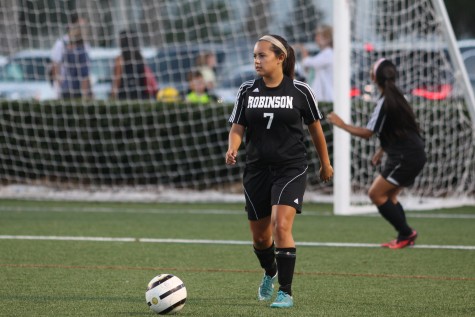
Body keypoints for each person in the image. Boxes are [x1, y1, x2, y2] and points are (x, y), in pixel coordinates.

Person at [225, 34, 333, 308]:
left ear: (280, 58)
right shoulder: (247, 90)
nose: (256, 61)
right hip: (256, 170)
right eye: (255, 56)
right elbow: (238, 126)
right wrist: (233, 147)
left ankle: (286, 292)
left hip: (291, 168)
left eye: (262, 55)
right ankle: (270, 272)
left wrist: (325, 162)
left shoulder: (300, 91)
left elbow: (315, 129)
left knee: (280, 226)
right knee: (261, 238)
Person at [327, 58, 426, 249]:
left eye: (372, 69)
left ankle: (406, 233)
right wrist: (382, 150)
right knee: (390, 196)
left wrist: (341, 124)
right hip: (411, 153)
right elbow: (398, 129)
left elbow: (367, 134)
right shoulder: (397, 97)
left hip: (405, 156)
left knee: (375, 194)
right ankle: (403, 237)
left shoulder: (385, 102)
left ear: (374, 77)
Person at [50, 13, 88, 97]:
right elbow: (55, 64)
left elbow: (86, 72)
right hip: (66, 88)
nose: (83, 29)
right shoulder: (61, 43)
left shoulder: (85, 45)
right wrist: (59, 84)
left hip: (79, 88)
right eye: (80, 26)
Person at [111, 29, 150, 100]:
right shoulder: (140, 58)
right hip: (141, 98)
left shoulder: (120, 59)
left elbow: (116, 83)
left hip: (125, 98)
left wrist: (112, 98)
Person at [299, 25, 333, 102]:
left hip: (327, 98)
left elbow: (307, 62)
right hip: (319, 98)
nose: (316, 38)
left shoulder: (329, 54)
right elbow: (307, 70)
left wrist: (303, 51)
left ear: (327, 38)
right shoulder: (322, 54)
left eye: (319, 36)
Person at [59, 19, 93, 99]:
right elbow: (84, 76)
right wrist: (85, 96)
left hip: (65, 89)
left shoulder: (67, 50)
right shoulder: (81, 52)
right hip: (77, 91)